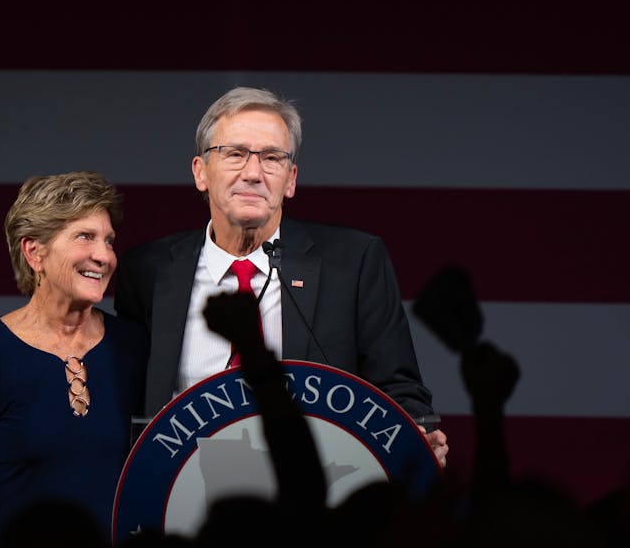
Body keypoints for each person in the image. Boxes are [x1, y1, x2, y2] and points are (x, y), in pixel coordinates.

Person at [112, 86, 447, 463]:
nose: (253, 173)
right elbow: (124, 399)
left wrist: (414, 433)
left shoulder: (354, 262)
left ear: (290, 179)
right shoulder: (148, 271)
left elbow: (401, 391)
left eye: (272, 158)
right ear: (200, 172)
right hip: (180, 490)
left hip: (316, 494)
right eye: (235, 154)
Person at [0, 172, 147, 548]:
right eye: (85, 237)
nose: (105, 255)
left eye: (108, 240)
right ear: (34, 252)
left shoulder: (134, 346)